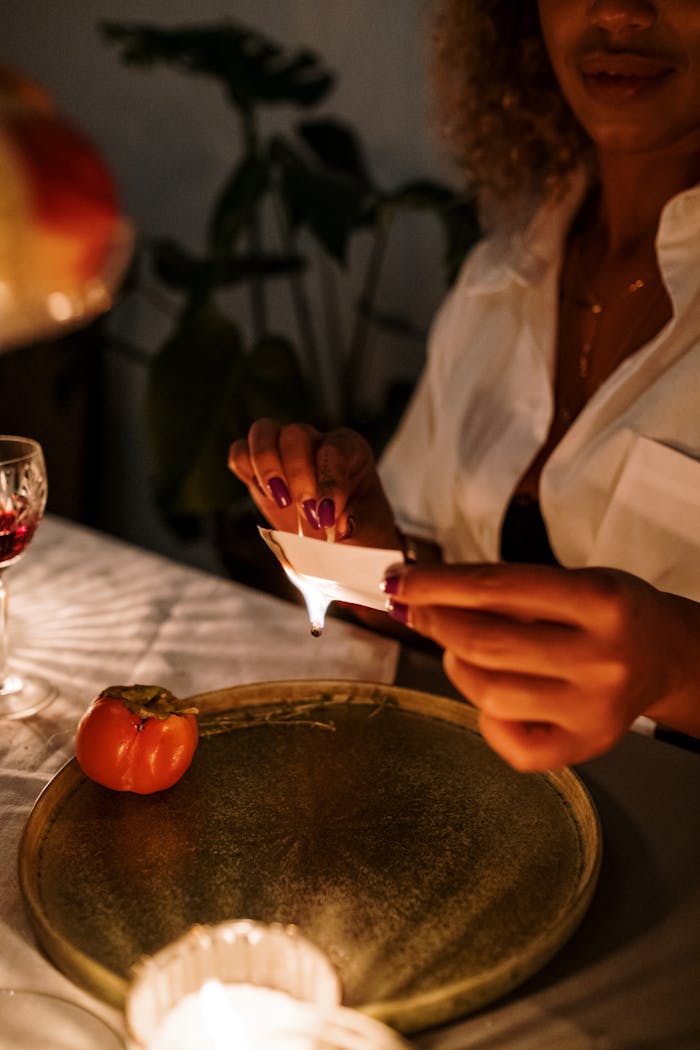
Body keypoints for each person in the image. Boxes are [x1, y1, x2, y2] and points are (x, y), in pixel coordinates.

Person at [229, 0, 700, 771]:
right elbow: (430, 611)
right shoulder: (498, 278)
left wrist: (682, 661)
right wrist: (374, 554)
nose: (617, 8)